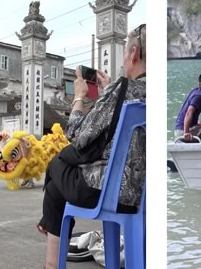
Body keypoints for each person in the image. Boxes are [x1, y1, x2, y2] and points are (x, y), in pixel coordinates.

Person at [39, 23, 146, 269]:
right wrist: (109, 91)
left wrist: (78, 96)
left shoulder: (123, 88)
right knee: (57, 185)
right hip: (144, 193)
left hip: (109, 192)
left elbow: (76, 135)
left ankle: (51, 260)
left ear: (133, 54)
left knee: (56, 164)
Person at [174, 71, 201, 142]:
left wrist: (196, 121)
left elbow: (191, 111)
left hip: (180, 128)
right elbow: (189, 112)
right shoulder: (199, 96)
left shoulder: (197, 91)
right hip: (182, 130)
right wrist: (186, 133)